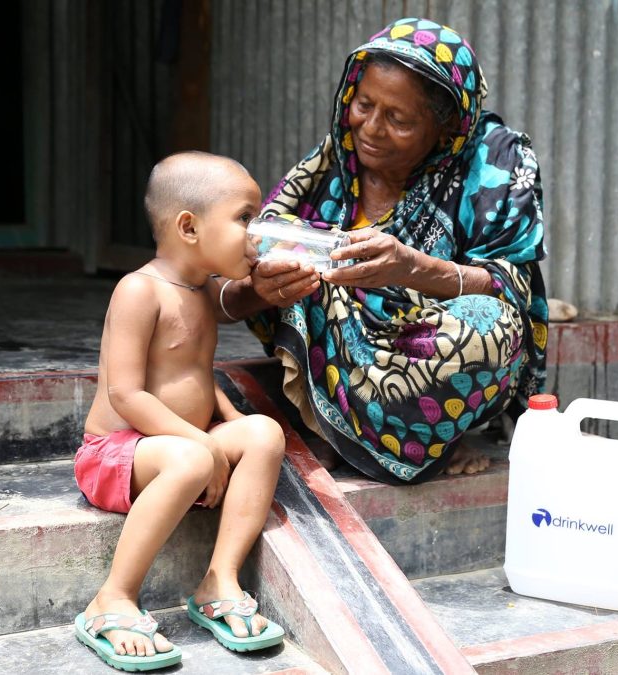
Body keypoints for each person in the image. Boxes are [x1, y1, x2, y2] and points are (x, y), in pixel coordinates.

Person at [215, 18, 549, 485]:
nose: (369, 128)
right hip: (339, 356)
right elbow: (232, 270)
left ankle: (431, 437)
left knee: (492, 327)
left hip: (427, 354)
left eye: (399, 120)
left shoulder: (494, 163)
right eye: (364, 104)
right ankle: (330, 426)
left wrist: (412, 267)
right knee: (289, 240)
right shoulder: (337, 157)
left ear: (447, 123)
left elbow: (511, 287)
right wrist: (261, 287)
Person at [73, 151, 286, 671]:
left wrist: (228, 426)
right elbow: (126, 395)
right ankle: (112, 599)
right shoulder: (139, 289)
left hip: (178, 448)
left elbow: (192, 371)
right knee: (192, 460)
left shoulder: (204, 292)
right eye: (244, 218)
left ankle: (219, 580)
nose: (255, 233)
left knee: (263, 433)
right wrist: (205, 444)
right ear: (189, 227)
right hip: (116, 454)